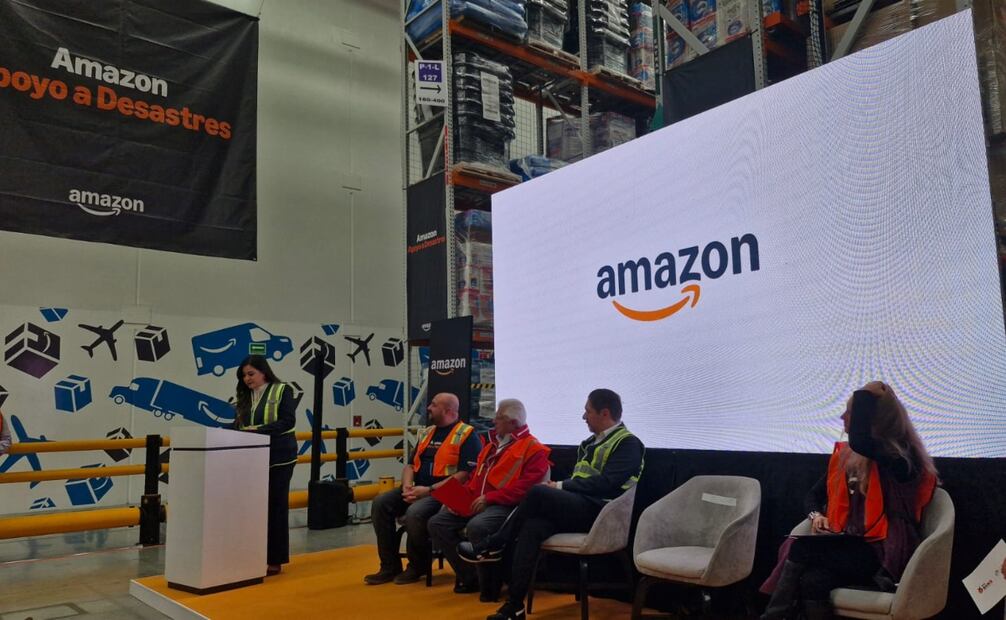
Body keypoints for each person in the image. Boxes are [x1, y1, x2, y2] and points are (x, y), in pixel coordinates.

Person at [458, 388, 645, 620]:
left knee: (538, 491)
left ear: (604, 413)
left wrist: (559, 486)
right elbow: (580, 480)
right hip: (579, 507)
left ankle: (495, 543)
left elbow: (609, 483)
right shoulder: (589, 443)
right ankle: (514, 606)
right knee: (532, 527)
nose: (583, 416)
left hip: (602, 512)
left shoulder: (628, 443)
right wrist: (560, 487)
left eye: (588, 411)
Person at [760, 381, 938, 620]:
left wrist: (865, 394)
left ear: (872, 418)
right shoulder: (847, 458)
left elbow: (861, 441)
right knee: (813, 581)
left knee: (801, 548)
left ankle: (771, 616)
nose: (842, 417)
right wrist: (817, 515)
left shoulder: (901, 457)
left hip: (884, 552)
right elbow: (813, 496)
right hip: (850, 545)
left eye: (851, 412)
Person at [427, 399, 550, 601]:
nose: (493, 421)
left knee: (478, 526)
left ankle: (490, 587)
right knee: (437, 523)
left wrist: (490, 498)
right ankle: (471, 577)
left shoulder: (534, 449)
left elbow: (526, 490)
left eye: (498, 417)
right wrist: (456, 499)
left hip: (506, 506)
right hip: (478, 501)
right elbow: (475, 478)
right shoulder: (491, 445)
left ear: (513, 422)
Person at [364, 392, 482, 585]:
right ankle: (389, 566)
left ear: (448, 410)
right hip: (417, 488)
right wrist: (407, 486)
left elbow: (464, 474)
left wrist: (428, 490)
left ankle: (417, 566)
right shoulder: (427, 433)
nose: (428, 408)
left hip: (443, 493)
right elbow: (410, 465)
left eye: (433, 405)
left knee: (415, 513)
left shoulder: (467, 435)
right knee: (380, 503)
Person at [232, 355, 297, 577]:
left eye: (251, 374)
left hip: (280, 457)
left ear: (264, 372)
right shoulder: (245, 397)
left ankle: (274, 559)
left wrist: (259, 431)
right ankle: (253, 555)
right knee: (253, 508)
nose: (247, 379)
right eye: (244, 376)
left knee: (276, 507)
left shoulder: (282, 390)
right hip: (253, 458)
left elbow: (288, 421)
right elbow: (239, 425)